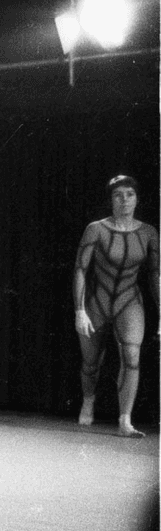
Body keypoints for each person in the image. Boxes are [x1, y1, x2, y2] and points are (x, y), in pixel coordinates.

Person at [73, 174, 159, 438]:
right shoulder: (96, 229)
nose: (124, 200)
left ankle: (125, 421)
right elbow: (80, 269)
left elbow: (156, 276)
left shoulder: (148, 232)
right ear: (111, 199)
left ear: (137, 199)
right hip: (97, 300)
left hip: (129, 300)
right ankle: (89, 399)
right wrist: (80, 311)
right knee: (90, 364)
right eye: (118, 195)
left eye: (129, 195)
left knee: (132, 357)